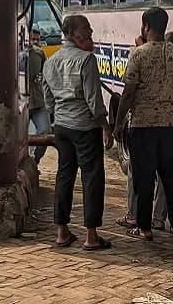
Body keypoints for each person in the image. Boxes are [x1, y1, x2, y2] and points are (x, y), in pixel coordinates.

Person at [113, 7, 173, 241]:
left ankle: (144, 228)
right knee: (171, 177)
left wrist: (118, 122)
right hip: (170, 127)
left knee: (143, 179)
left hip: (142, 127)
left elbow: (128, 93)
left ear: (145, 26)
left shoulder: (139, 54)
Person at [42, 14, 113, 251]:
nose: (91, 31)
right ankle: (91, 236)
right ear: (74, 33)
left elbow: (48, 98)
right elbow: (94, 99)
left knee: (64, 176)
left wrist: (57, 117)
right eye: (86, 28)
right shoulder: (86, 60)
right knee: (92, 178)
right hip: (85, 127)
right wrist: (105, 127)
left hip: (62, 127)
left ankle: (61, 232)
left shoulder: (50, 61)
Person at [21, 29, 50, 164]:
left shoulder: (39, 54)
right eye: (33, 39)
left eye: (37, 39)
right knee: (19, 136)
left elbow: (46, 76)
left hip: (38, 102)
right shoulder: (15, 55)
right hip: (21, 104)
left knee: (45, 132)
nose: (36, 42)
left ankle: (34, 160)